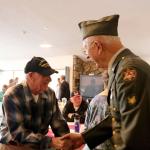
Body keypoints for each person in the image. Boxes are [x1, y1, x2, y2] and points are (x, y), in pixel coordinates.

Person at [61, 14, 150, 150]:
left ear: (97, 46)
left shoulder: (129, 70)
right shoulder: (121, 67)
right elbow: (118, 117)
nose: (88, 57)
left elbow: (134, 136)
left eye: (86, 52)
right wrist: (83, 137)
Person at [0, 56, 71, 150]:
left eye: (48, 83)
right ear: (30, 76)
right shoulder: (12, 95)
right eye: (44, 82)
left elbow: (58, 122)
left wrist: (66, 140)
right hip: (14, 145)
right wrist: (50, 142)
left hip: (38, 143)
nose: (46, 88)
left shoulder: (50, 94)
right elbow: (18, 133)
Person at [83, 70, 113, 150]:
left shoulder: (94, 100)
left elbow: (86, 128)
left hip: (93, 146)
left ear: (104, 82)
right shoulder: (120, 101)